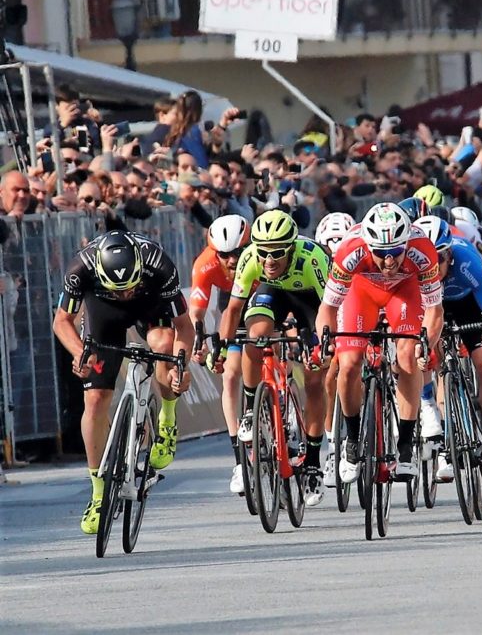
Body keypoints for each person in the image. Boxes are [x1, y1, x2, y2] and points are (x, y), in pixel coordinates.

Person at [51, 231, 194, 534]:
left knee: (164, 344)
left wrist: (182, 366)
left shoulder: (158, 262)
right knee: (95, 399)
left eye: (129, 287)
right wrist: (80, 353)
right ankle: (99, 493)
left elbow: (183, 325)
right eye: (119, 290)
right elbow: (61, 321)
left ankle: (167, 421)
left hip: (151, 305)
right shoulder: (81, 268)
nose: (125, 294)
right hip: (104, 313)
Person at [316, 204, 444, 484]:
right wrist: (326, 339)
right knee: (348, 364)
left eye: (396, 253)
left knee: (408, 355)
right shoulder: (350, 250)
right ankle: (351, 439)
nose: (389, 262)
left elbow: (435, 310)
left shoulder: (422, 250)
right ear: (368, 245)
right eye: (381, 255)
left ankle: (406, 446)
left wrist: (428, 343)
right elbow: (327, 308)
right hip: (361, 294)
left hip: (405, 293)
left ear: (406, 244)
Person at [215, 210, 332, 505]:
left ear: (291, 248)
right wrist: (220, 347)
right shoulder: (252, 258)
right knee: (254, 340)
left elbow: (330, 312)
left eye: (276, 253)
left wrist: (321, 346)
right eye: (262, 251)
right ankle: (254, 408)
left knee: (315, 380)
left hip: (312, 301)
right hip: (273, 295)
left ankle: (314, 462)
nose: (268, 259)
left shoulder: (313, 258)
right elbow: (232, 310)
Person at [415, 215, 482, 491]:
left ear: (449, 253)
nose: (435, 267)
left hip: (465, 305)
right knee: (430, 354)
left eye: (441, 259)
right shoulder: (415, 270)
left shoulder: (466, 260)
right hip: (430, 310)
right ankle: (444, 437)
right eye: (428, 261)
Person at [189, 215, 250, 493]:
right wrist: (198, 339)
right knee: (230, 375)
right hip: (231, 305)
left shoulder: (261, 258)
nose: (232, 260)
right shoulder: (205, 264)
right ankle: (239, 460)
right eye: (225, 255)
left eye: (238, 252)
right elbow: (197, 311)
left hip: (262, 294)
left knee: (269, 347)